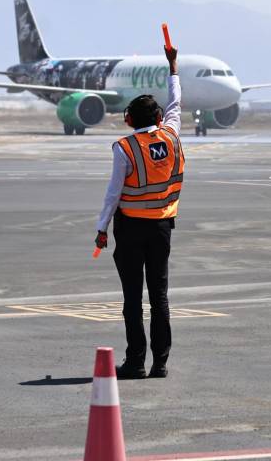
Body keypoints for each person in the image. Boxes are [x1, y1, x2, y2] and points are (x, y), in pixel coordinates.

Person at [94, 42, 184, 379]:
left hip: (131, 230)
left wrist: (102, 229)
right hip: (162, 228)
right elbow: (176, 103)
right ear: (159, 118)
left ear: (130, 120)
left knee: (133, 299)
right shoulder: (172, 135)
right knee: (159, 295)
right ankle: (160, 362)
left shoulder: (124, 148)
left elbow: (113, 193)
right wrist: (172, 67)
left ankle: (135, 362)